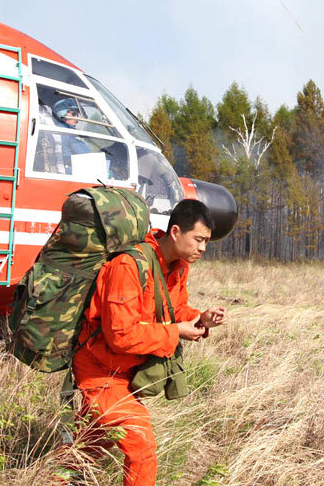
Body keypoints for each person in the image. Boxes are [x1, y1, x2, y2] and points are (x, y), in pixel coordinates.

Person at [68, 199, 227, 486]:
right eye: (199, 240)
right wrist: (176, 332)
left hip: (124, 371)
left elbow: (172, 310)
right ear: (176, 232)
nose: (203, 248)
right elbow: (121, 335)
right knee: (142, 446)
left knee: (86, 450)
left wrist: (200, 319)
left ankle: (57, 479)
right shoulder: (129, 265)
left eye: (207, 242)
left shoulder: (178, 266)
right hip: (100, 370)